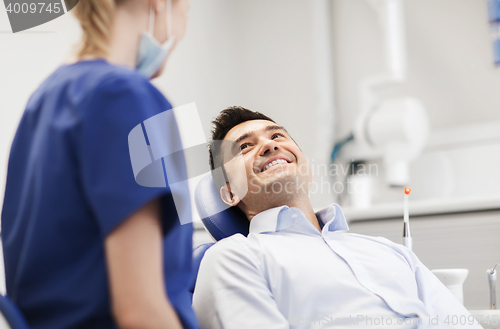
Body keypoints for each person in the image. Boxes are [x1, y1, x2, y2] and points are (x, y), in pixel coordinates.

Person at [1, 1, 197, 329]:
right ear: (160, 4)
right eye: (186, 10)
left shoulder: (44, 98)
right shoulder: (129, 96)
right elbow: (140, 312)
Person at [192, 106, 481, 329]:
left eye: (277, 135)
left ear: (304, 164)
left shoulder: (389, 251)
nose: (269, 145)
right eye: (245, 147)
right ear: (230, 193)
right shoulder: (232, 258)